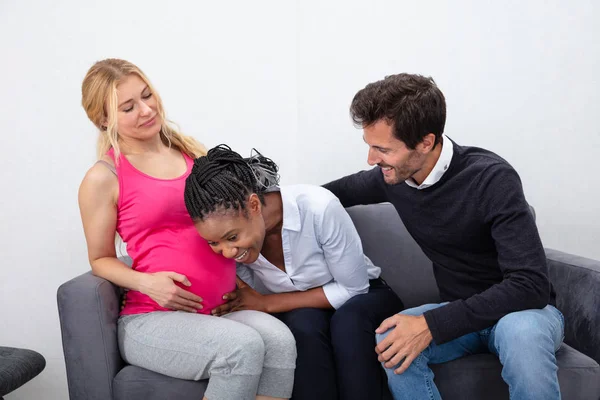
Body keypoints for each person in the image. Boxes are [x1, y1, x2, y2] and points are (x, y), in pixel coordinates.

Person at [323, 73, 565, 400]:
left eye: (382, 149)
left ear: (426, 142)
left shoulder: (492, 179)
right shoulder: (390, 177)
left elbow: (530, 285)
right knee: (392, 337)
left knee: (519, 333)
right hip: (458, 315)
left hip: (523, 314)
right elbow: (326, 195)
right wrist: (268, 201)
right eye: (369, 146)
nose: (371, 159)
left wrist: (434, 323)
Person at [78, 58, 296, 400]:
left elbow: (237, 221)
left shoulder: (194, 155)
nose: (147, 110)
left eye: (148, 96)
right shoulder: (103, 178)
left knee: (280, 341)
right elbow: (100, 258)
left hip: (218, 312)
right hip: (151, 317)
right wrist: (148, 282)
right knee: (240, 348)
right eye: (129, 107)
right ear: (104, 119)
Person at [183, 145, 404, 400]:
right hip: (303, 310)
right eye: (214, 243)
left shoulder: (318, 207)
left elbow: (353, 289)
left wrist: (266, 304)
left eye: (232, 237)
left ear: (254, 205)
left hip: (364, 296)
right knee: (301, 326)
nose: (227, 252)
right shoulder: (237, 246)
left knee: (348, 323)